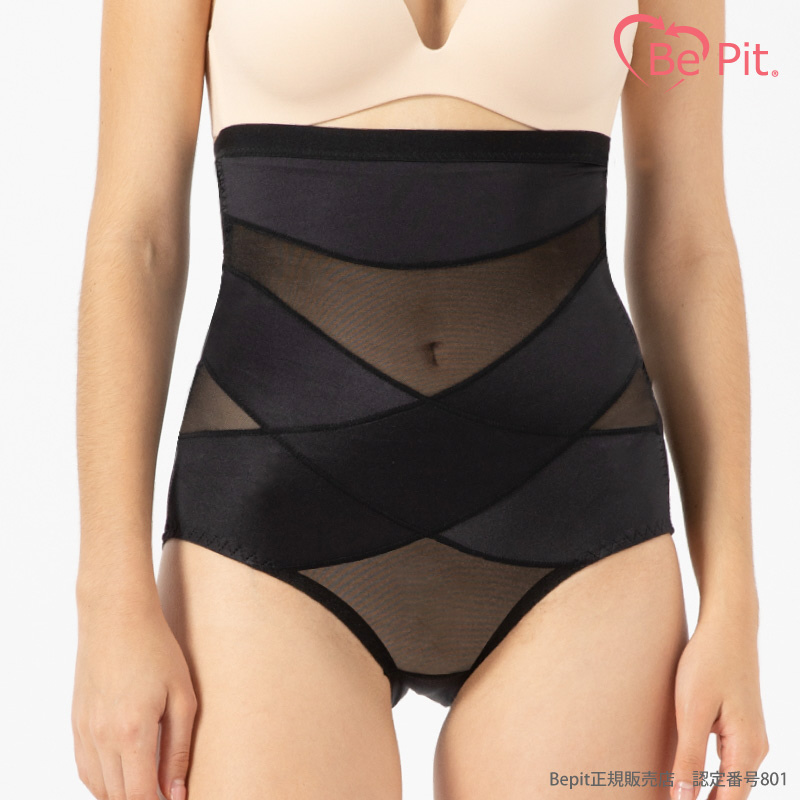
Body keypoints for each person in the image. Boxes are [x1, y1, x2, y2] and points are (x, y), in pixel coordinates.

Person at [72, 0, 769, 798]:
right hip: (266, 522)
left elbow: (689, 247)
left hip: (583, 517)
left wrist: (735, 603)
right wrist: (109, 599)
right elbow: (137, 240)